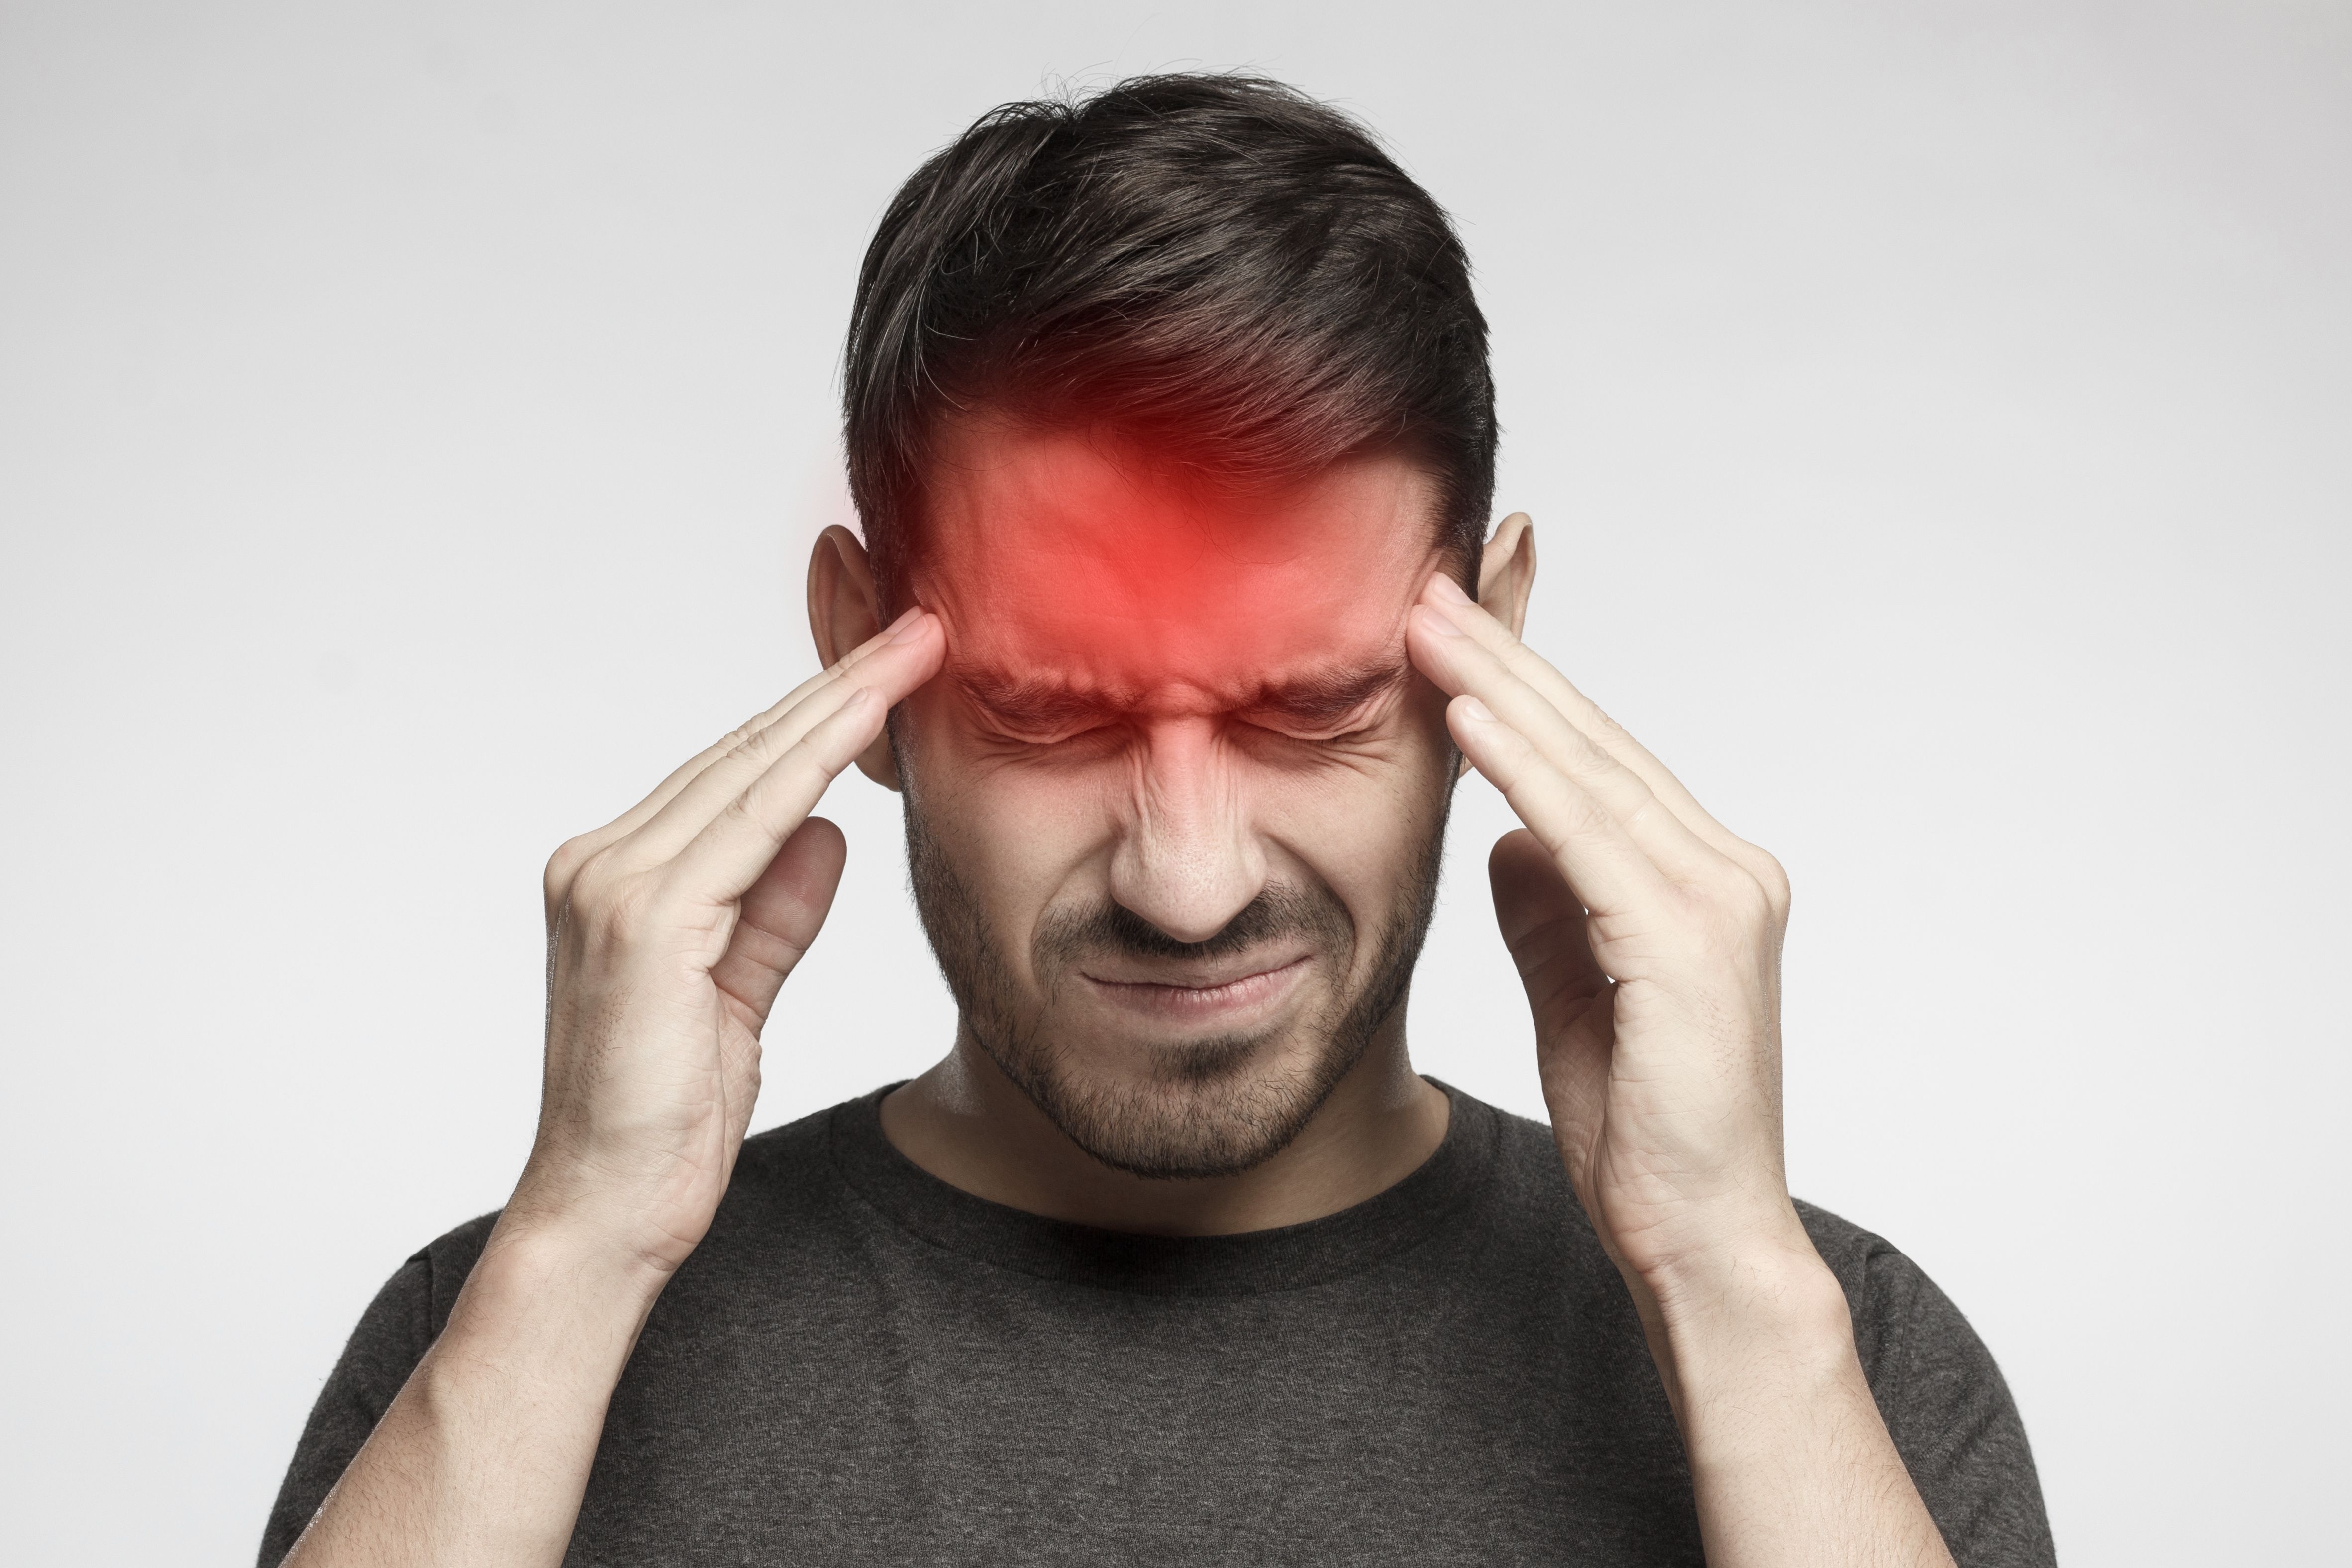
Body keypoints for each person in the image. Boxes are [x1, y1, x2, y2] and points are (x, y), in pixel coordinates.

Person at [261, 75, 2055, 1567]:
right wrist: (578, 1249)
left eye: (1313, 707)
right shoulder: (502, 1352)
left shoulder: (1838, 1360)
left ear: (1489, 651)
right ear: (856, 665)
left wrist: (1730, 1282)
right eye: (1047, 712)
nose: (1187, 887)